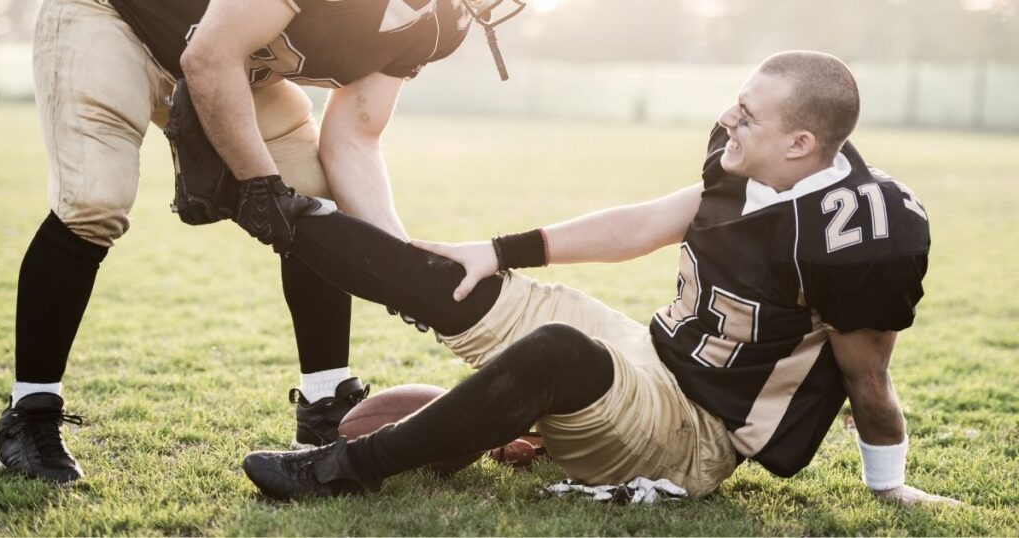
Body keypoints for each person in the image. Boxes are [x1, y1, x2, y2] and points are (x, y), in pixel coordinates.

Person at [235, 51, 960, 505]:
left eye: (747, 115)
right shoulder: (747, 165)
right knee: (458, 275)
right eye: (736, 103)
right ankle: (251, 194)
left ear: (801, 144)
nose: (726, 121)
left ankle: (341, 468)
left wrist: (887, 483)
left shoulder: (859, 235)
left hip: (696, 434)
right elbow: (643, 225)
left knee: (557, 352)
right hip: (650, 356)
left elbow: (869, 381)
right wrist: (499, 249)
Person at [0, 0, 496, 483]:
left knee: (314, 205)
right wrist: (260, 186)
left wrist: (402, 267)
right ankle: (30, 411)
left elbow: (354, 138)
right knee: (93, 202)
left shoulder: (439, 23)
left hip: (231, 66)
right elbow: (208, 57)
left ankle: (325, 404)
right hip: (117, 20)